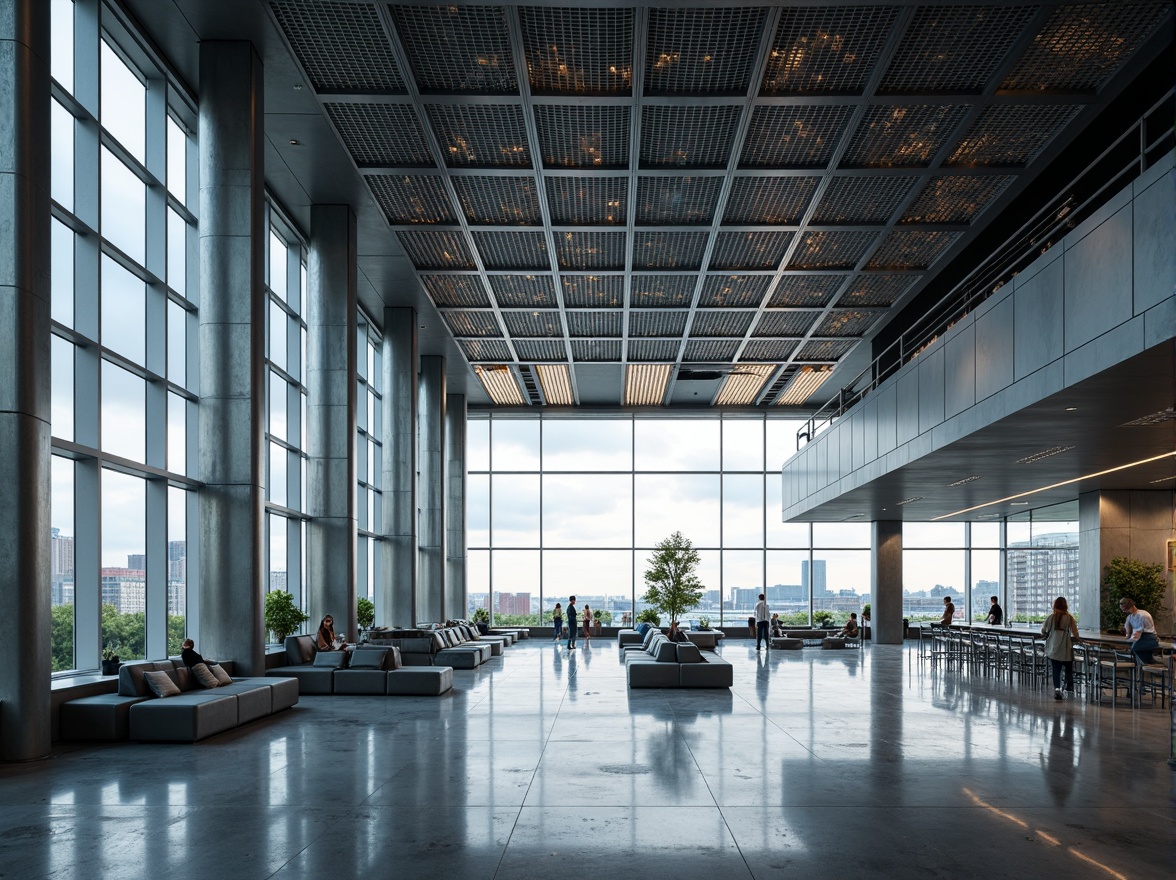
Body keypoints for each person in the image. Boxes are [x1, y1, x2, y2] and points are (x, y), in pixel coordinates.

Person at [1041, 596, 1079, 699]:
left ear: (1055, 605)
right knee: (1068, 667)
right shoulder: (1069, 617)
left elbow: (1043, 630)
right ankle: (1068, 686)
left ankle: (1057, 689)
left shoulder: (1051, 617)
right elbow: (1075, 633)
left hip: (1053, 646)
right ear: (1065, 606)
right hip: (1065, 647)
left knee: (1055, 669)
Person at [1121, 596, 1159, 664]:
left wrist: (1130, 639)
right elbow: (1127, 628)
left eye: (1126, 609)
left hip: (1149, 638)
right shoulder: (1130, 616)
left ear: (1131, 606)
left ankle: (1153, 665)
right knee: (1144, 657)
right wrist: (1127, 635)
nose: (1124, 611)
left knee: (1135, 648)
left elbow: (1138, 631)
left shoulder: (1142, 615)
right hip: (1142, 637)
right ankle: (1148, 664)